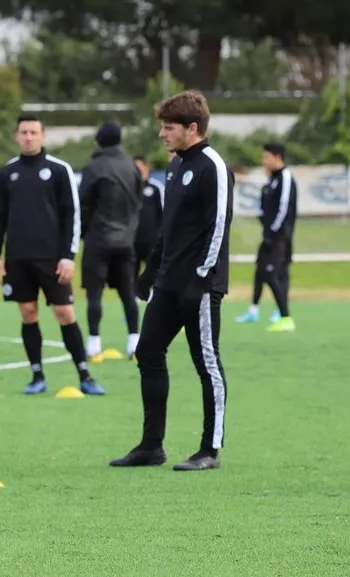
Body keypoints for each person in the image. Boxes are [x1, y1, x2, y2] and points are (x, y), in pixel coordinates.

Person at [109, 90, 234, 472]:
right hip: (168, 283)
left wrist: (203, 276)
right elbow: (169, 227)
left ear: (191, 128)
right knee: (147, 352)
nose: (162, 134)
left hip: (200, 285)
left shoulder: (213, 165)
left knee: (206, 363)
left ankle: (209, 449)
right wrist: (150, 272)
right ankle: (151, 446)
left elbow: (219, 226)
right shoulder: (176, 166)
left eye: (168, 128)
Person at [0, 114, 105, 396]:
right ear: (17, 136)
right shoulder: (7, 173)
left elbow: (71, 216)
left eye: (34, 132)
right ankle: (37, 375)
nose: (29, 137)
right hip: (18, 258)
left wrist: (68, 256)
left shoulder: (59, 169)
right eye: (24, 132)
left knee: (64, 313)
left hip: (53, 259)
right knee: (28, 313)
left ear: (43, 136)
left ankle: (84, 374)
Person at [79, 121, 144, 361]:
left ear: (98, 141)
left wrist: (84, 233)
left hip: (98, 239)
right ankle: (134, 342)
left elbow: (83, 203)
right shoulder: (132, 167)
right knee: (128, 292)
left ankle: (94, 343)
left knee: (94, 294)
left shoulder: (94, 167)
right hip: (126, 240)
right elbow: (139, 202)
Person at [235, 142, 297, 331]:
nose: (264, 161)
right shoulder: (271, 180)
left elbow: (284, 209)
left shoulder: (285, 177)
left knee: (273, 273)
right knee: (260, 271)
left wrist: (272, 232)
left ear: (276, 157)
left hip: (279, 237)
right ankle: (254, 310)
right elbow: (265, 208)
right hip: (269, 235)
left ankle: (285, 317)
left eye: (266, 157)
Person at [133, 154, 165, 279]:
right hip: (132, 241)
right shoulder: (128, 189)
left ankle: (155, 298)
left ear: (147, 168)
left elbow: (164, 214)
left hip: (152, 242)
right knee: (130, 276)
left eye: (140, 168)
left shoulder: (155, 188)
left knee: (155, 274)